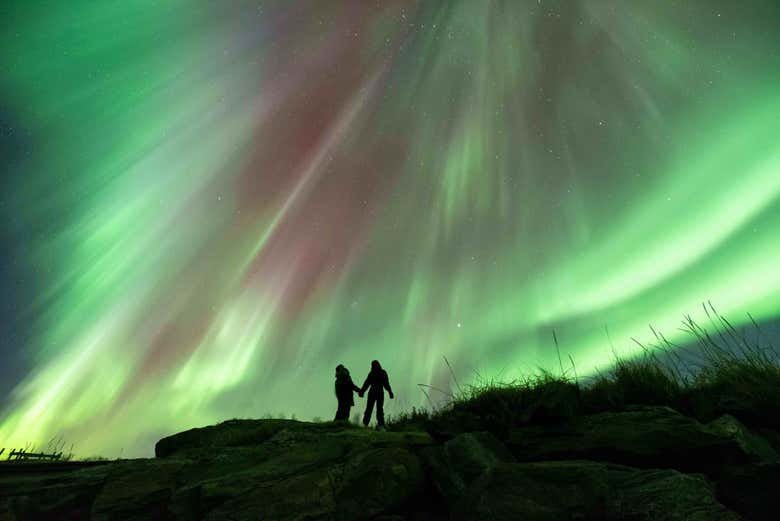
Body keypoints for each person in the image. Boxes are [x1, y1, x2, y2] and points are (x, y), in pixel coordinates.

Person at [359, 360, 393, 429]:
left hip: (374, 392)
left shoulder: (373, 373)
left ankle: (368, 424)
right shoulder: (381, 372)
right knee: (376, 409)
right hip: (378, 393)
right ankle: (379, 425)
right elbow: (386, 384)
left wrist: (362, 391)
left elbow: (367, 383)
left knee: (373, 409)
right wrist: (390, 392)